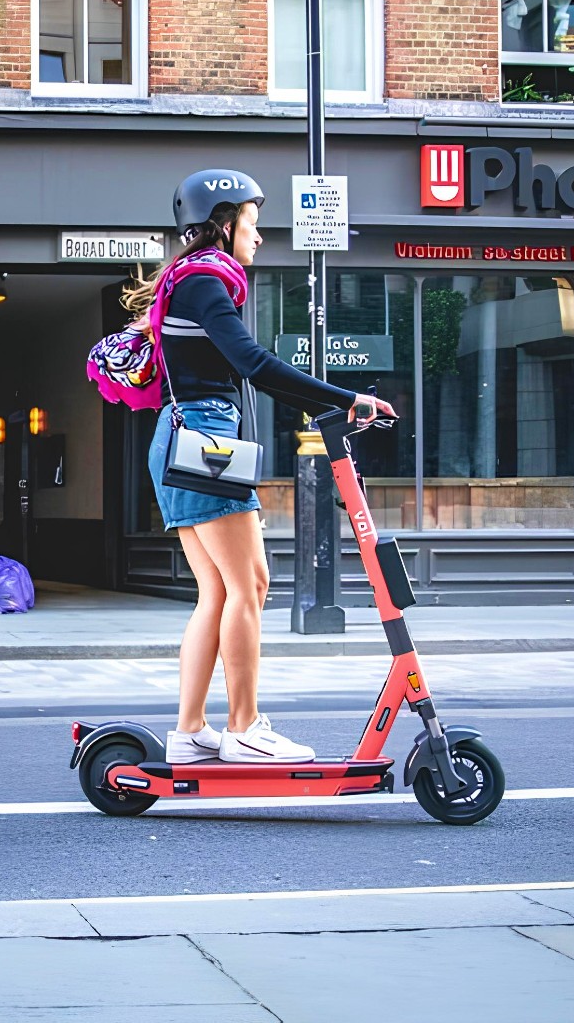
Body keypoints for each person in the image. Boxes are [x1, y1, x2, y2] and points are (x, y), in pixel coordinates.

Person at [121, 169, 394, 763]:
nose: (261, 236)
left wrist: (332, 405)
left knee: (217, 591)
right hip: (205, 439)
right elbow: (252, 363)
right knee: (251, 585)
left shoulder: (188, 280)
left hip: (181, 438)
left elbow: (247, 369)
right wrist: (346, 399)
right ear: (224, 220)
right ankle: (243, 727)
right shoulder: (204, 279)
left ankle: (191, 732)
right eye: (253, 221)